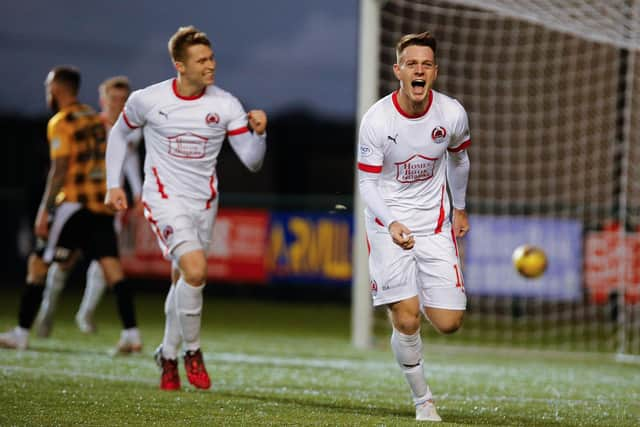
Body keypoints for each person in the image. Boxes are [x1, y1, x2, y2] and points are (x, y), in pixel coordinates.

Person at [104, 26, 267, 391]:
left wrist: (260, 133)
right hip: (163, 198)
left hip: (204, 202)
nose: (211, 65)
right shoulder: (149, 100)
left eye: (211, 58)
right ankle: (193, 351)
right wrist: (113, 184)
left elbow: (252, 161)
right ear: (180, 65)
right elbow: (118, 133)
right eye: (202, 60)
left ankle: (167, 353)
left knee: (183, 281)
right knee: (195, 270)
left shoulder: (225, 104)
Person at [356, 32, 471, 422]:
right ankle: (424, 401)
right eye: (411, 64)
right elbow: (367, 184)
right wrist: (390, 222)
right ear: (398, 71)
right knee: (406, 319)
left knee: (448, 323)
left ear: (434, 72)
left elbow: (459, 161)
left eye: (426, 64)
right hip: (387, 225)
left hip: (435, 226)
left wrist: (461, 209)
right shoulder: (377, 120)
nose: (418, 70)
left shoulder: (452, 114)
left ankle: (413, 289)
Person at [0, 66, 142, 354]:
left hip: (74, 206)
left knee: (38, 264)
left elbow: (59, 169)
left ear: (57, 89)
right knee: (113, 271)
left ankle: (22, 332)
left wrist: (45, 209)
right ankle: (132, 334)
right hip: (101, 207)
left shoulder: (62, 121)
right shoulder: (95, 120)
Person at [34, 76, 143, 336]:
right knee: (63, 260)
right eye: (113, 98)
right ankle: (46, 313)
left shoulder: (132, 131)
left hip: (108, 205)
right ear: (102, 100)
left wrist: (138, 193)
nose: (118, 103)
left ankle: (86, 314)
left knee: (104, 263)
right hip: (79, 203)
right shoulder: (91, 124)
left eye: (123, 99)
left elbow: (129, 162)